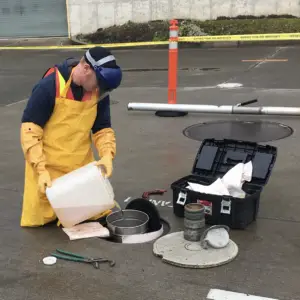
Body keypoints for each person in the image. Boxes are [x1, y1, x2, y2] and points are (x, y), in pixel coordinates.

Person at [20, 46, 122, 227]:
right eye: (98, 84)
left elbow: (102, 128)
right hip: (48, 178)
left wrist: (107, 155)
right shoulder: (48, 87)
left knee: (89, 219)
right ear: (86, 68)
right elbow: (30, 132)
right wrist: (41, 170)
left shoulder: (99, 93)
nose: (99, 90)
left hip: (80, 176)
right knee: (46, 231)